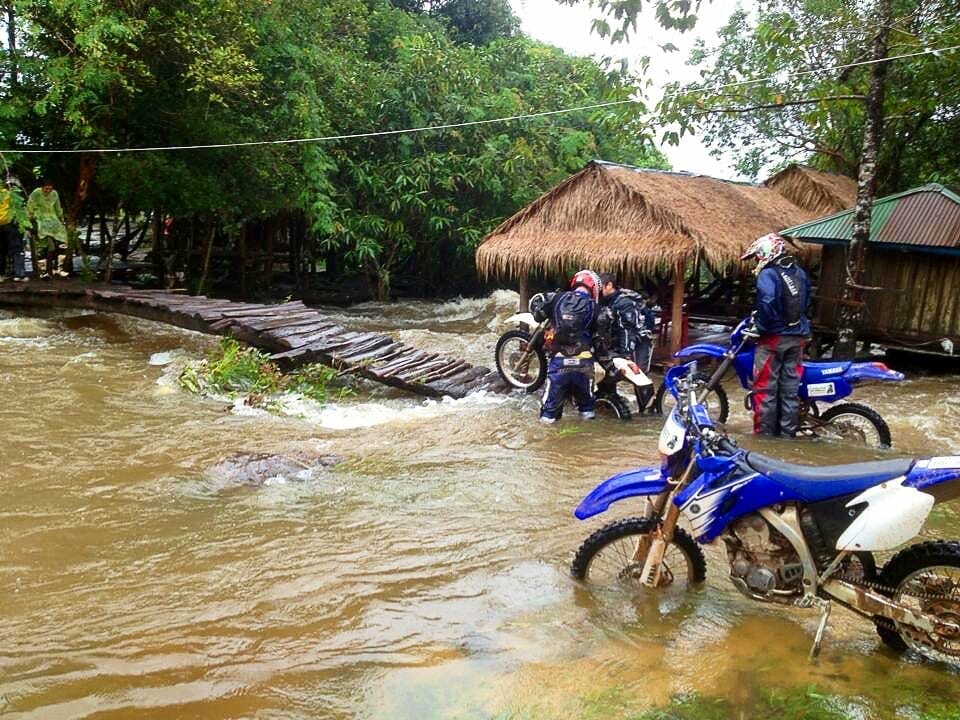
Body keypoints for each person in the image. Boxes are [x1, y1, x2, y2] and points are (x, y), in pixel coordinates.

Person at [740, 232, 811, 438]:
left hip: (773, 339)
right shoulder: (799, 273)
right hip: (797, 338)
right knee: (789, 391)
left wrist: (761, 326)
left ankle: (764, 439)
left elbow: (767, 301)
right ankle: (786, 436)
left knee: (765, 390)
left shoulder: (768, 275)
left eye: (757, 256)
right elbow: (806, 301)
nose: (756, 260)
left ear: (766, 253)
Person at [532, 269, 602, 423]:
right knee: (587, 410)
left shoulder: (557, 298)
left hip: (559, 363)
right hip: (584, 365)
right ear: (593, 288)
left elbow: (538, 315)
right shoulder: (595, 308)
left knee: (548, 412)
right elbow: (600, 341)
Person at [597, 273, 657, 411]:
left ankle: (649, 412)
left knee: (639, 375)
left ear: (609, 285)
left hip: (639, 342)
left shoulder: (624, 302)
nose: (598, 291)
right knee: (610, 371)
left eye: (601, 287)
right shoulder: (607, 300)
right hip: (618, 343)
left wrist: (626, 354)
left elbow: (628, 331)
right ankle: (609, 403)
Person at [26, 179, 69, 278]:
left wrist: (61, 219)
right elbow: (30, 207)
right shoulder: (36, 193)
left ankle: (59, 269)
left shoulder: (55, 194)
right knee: (42, 246)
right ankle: (43, 271)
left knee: (62, 242)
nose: (48, 190)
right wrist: (29, 224)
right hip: (40, 221)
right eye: (46, 188)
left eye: (50, 188)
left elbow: (58, 208)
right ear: (42, 187)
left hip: (53, 222)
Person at [0, 177, 28, 281]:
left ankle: (1, 275)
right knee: (17, 249)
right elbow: (22, 207)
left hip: (1, 224)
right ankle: (19, 274)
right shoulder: (14, 195)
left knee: (1, 250)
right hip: (11, 223)